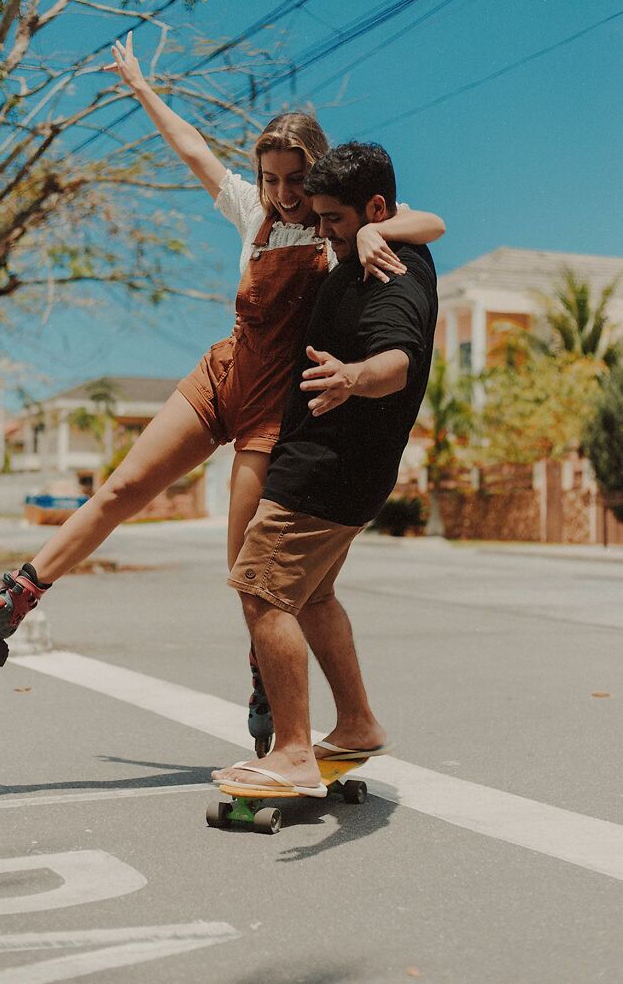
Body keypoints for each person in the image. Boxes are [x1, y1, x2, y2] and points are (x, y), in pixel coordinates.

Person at [0, 37, 443, 734]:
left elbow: (431, 222)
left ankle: (268, 690)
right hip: (222, 373)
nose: (284, 195)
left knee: (248, 571)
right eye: (271, 179)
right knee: (118, 489)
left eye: (296, 180)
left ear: (318, 182)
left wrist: (387, 230)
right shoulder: (252, 214)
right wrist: (140, 88)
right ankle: (8, 607)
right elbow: (195, 150)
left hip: (273, 408)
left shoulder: (333, 234)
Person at [212, 141, 438, 796]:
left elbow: (395, 362)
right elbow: (428, 220)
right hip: (342, 468)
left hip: (327, 467)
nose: (323, 231)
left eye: (333, 219)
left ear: (372, 207)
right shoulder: (376, 241)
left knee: (263, 589)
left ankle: (290, 753)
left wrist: (351, 377)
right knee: (312, 596)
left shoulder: (388, 270)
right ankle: (359, 724)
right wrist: (368, 230)